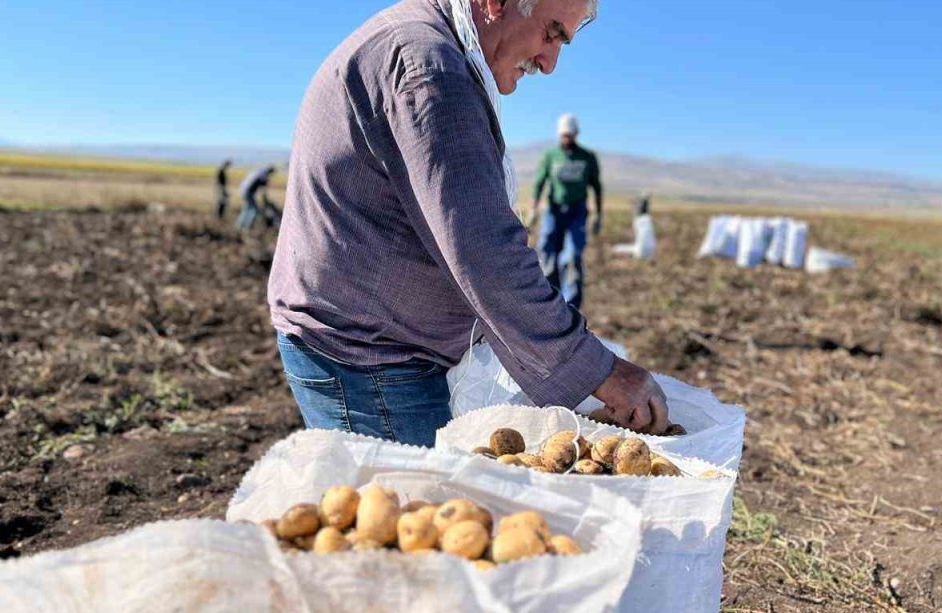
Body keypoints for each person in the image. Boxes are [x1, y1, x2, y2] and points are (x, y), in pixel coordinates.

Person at [268, 0, 669, 447]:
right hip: (368, 361)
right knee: (412, 508)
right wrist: (600, 371)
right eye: (552, 33)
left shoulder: (431, 49)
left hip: (383, 348)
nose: (549, 62)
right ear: (496, 4)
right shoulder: (427, 67)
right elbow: (484, 251)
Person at [530, 112, 602, 310]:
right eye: (564, 136)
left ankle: (571, 308)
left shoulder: (587, 158)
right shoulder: (551, 157)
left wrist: (598, 214)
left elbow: (596, 186)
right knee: (547, 252)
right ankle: (551, 301)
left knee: (571, 256)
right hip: (553, 210)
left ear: (576, 134)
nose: (566, 140)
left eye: (570, 136)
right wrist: (533, 209)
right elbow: (539, 182)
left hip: (577, 211)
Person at [237, 165, 276, 231]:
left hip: (243, 190)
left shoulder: (259, 171)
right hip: (248, 192)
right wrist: (266, 200)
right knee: (254, 210)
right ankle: (247, 227)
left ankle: (240, 225)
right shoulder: (263, 175)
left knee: (247, 209)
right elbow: (263, 188)